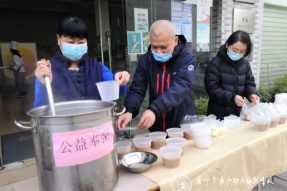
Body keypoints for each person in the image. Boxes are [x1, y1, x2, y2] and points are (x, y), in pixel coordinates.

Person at [117, 20, 196, 132]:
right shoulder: (146, 60)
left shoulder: (187, 58)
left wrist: (154, 109)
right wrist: (130, 110)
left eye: (164, 47)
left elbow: (181, 87)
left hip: (181, 120)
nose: (159, 52)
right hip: (156, 122)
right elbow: (137, 88)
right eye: (154, 47)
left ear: (175, 40)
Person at [34, 16, 130, 107]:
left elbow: (117, 90)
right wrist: (44, 84)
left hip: (95, 121)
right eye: (70, 42)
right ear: (59, 40)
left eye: (81, 42)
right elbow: (40, 106)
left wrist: (121, 80)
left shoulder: (97, 68)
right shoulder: (48, 70)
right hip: (63, 123)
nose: (75, 46)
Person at [204, 30, 260, 120]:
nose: (238, 54)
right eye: (235, 50)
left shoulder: (245, 64)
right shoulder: (215, 64)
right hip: (217, 115)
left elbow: (249, 83)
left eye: (242, 52)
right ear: (227, 45)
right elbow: (212, 89)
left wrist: (251, 94)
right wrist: (232, 97)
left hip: (237, 114)